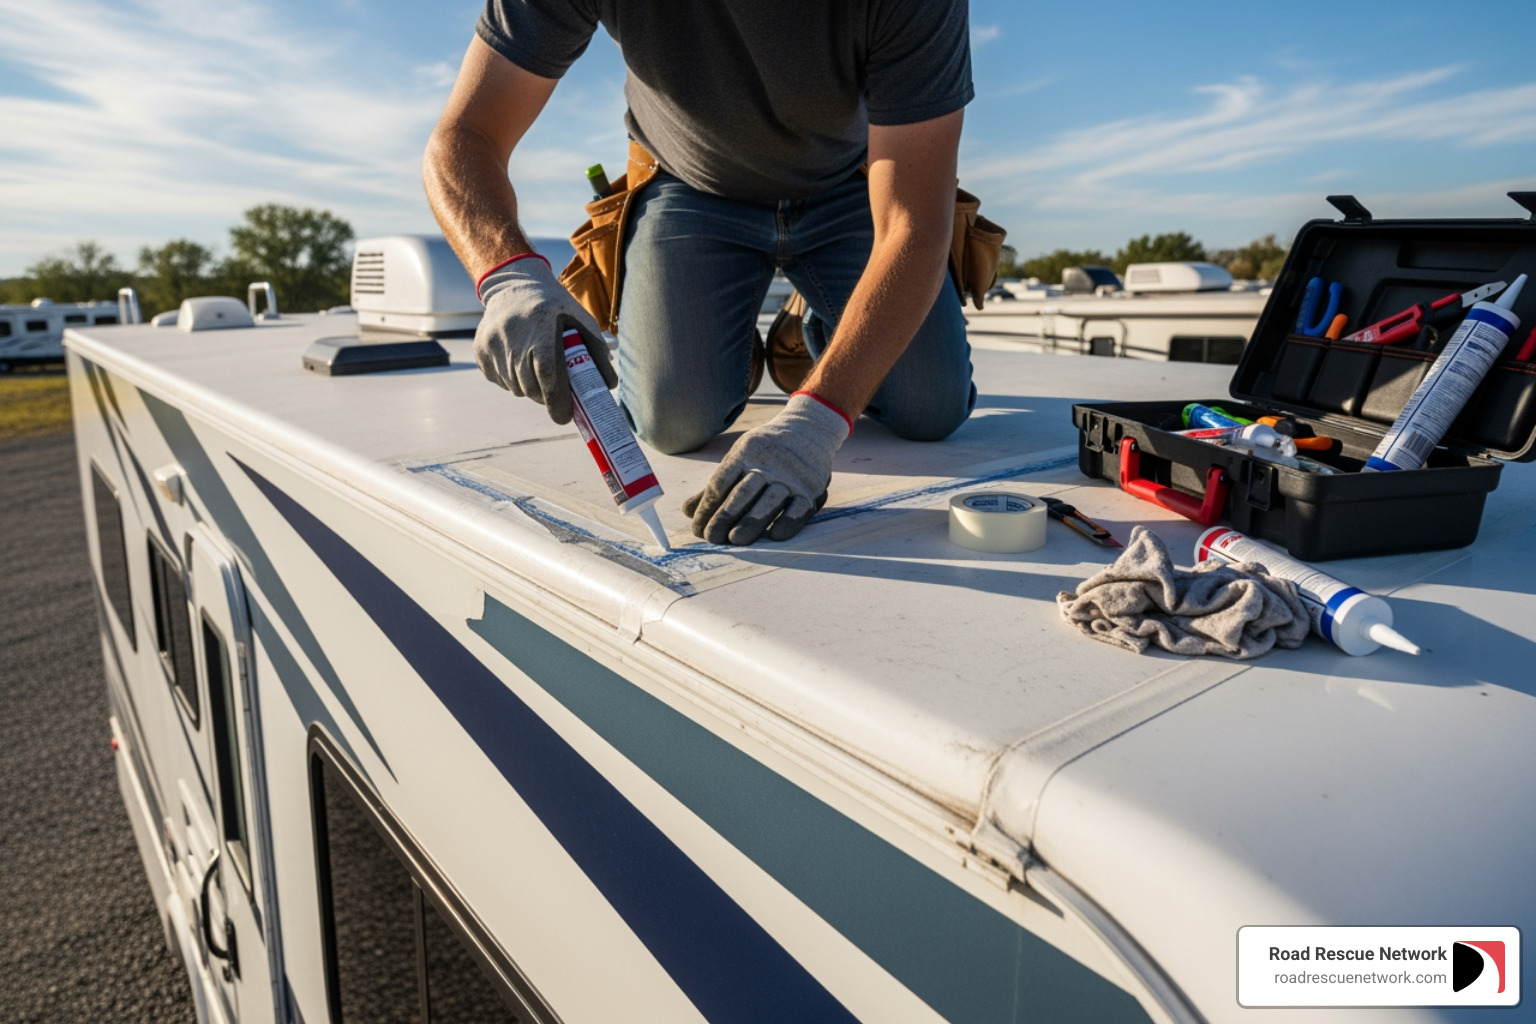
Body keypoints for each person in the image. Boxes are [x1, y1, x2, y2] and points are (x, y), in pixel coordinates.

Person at [424, 1, 977, 546]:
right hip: (691, 185)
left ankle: (808, 326)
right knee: (674, 423)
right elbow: (466, 134)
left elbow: (910, 225)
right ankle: (737, 345)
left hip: (852, 189)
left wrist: (817, 420)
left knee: (931, 408)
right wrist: (508, 277)